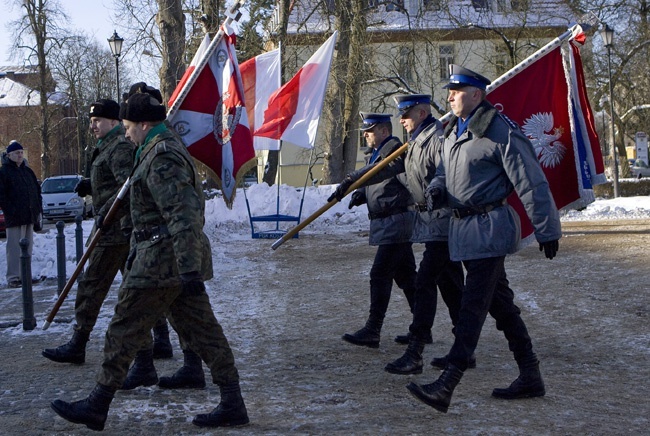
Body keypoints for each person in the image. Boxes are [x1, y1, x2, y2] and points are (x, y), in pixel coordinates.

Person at [50, 90, 249, 430]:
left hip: (161, 261)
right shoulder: (155, 149)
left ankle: (98, 404)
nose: (125, 133)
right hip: (171, 261)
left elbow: (182, 215)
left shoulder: (162, 157)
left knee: (124, 327)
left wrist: (188, 268)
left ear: (144, 124)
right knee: (203, 332)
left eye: (128, 126)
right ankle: (233, 401)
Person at [406, 65, 561, 413]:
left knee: (472, 308)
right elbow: (445, 171)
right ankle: (530, 374)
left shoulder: (498, 131)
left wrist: (546, 228)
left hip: (489, 229)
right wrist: (436, 190)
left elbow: (530, 180)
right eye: (449, 91)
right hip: (464, 231)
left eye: (456, 91)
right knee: (500, 305)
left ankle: (447, 385)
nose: (448, 97)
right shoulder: (453, 130)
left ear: (476, 94)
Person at [329, 94, 466, 375]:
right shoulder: (414, 141)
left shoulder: (433, 139)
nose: (401, 119)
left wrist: (438, 190)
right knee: (445, 285)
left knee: (426, 281)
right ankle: (463, 347)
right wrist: (354, 183)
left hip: (434, 221)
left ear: (422, 112)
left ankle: (416, 349)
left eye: (406, 113)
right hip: (429, 224)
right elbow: (386, 171)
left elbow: (443, 172)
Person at [42, 99, 141, 365]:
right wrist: (91, 186)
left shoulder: (119, 147)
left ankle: (79, 343)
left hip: (113, 233)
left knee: (91, 287)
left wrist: (106, 211)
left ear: (114, 122)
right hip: (113, 231)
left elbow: (128, 188)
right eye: (91, 121)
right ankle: (151, 349)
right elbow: (112, 184)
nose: (93, 125)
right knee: (137, 290)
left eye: (98, 121)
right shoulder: (106, 146)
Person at [341, 112, 417, 348]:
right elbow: (375, 179)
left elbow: (395, 177)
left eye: (370, 130)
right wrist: (362, 193)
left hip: (396, 221)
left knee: (380, 274)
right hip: (387, 223)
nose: (365, 134)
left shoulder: (394, 152)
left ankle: (373, 330)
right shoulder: (376, 154)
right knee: (407, 279)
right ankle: (421, 328)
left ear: (384, 131)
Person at [0, 140, 42, 288]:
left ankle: (25, 275)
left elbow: (37, 191)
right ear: (9, 155)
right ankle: (13, 278)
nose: (20, 155)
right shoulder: (4, 172)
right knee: (14, 249)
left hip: (29, 215)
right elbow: (2, 196)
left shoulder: (27, 171)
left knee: (27, 248)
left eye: (21, 153)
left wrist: (37, 209)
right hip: (14, 218)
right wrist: (11, 211)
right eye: (17, 153)